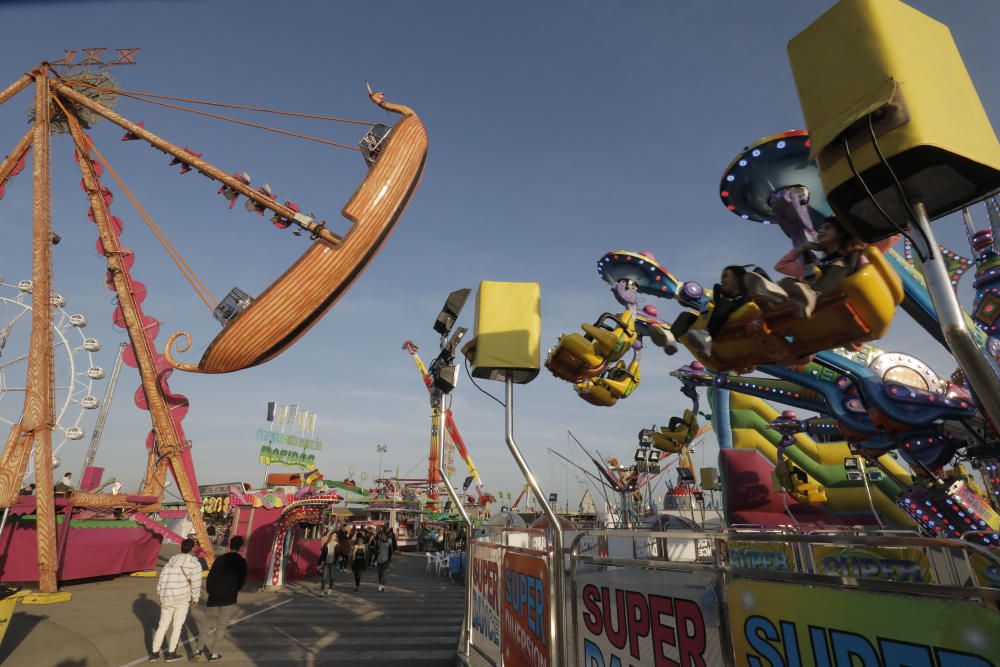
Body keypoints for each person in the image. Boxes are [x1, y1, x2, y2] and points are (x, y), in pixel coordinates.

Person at [744, 217, 864, 319]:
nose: (821, 231)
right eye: (820, 229)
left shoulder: (851, 257)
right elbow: (781, 266)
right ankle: (777, 294)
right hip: (802, 293)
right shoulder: (816, 264)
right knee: (789, 280)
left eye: (827, 228)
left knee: (839, 264)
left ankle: (811, 294)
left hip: (827, 294)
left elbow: (860, 268)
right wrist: (802, 248)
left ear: (841, 233)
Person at [652, 265, 752, 357]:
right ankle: (670, 339)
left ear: (737, 279)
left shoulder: (745, 296)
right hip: (718, 325)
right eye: (722, 278)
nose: (722, 280)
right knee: (686, 316)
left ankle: (707, 337)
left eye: (726, 276)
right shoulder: (722, 300)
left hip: (736, 328)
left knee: (725, 303)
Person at [191, 536, 247, 662]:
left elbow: (210, 577)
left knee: (207, 623)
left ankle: (198, 650)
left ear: (229, 545)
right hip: (229, 597)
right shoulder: (241, 561)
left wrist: (211, 591)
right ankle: (213, 653)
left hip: (214, 596)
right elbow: (242, 580)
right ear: (241, 547)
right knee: (221, 626)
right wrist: (234, 590)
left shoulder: (220, 559)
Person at [149, 538, 202, 663]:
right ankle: (171, 654)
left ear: (181, 548)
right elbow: (196, 583)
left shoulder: (170, 562)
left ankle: (154, 654)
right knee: (177, 626)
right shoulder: (194, 564)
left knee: (162, 626)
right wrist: (195, 598)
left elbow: (161, 580)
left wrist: (161, 595)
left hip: (167, 597)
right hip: (182, 597)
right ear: (192, 549)